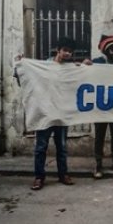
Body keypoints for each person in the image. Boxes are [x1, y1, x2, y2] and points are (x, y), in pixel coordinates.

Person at [25, 38, 79, 190]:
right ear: (58, 50)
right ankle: (39, 177)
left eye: (70, 51)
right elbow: (26, 77)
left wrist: (84, 67)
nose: (67, 53)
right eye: (65, 50)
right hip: (45, 113)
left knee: (61, 147)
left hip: (61, 114)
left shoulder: (71, 68)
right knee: (40, 147)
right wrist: (21, 65)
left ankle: (63, 175)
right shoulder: (44, 66)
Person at [89, 34, 113, 179]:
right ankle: (98, 163)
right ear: (105, 50)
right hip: (100, 106)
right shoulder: (96, 62)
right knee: (100, 135)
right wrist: (85, 65)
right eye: (112, 49)